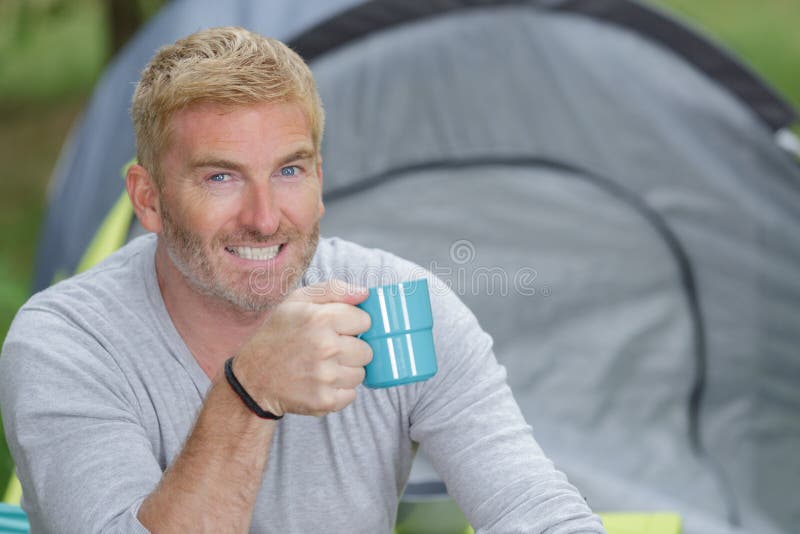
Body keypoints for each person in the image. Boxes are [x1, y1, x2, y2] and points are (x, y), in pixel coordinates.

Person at [0, 27, 605, 533]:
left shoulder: (393, 306)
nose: (265, 218)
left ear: (320, 177)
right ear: (149, 199)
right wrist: (249, 392)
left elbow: (532, 509)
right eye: (220, 178)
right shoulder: (68, 344)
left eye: (289, 170)